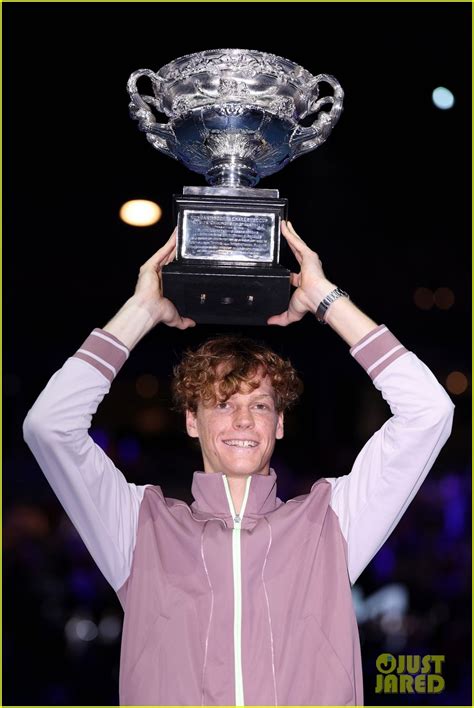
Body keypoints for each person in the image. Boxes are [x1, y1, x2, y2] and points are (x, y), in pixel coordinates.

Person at [23, 220, 454, 706]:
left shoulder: (329, 523)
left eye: (261, 405)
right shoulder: (139, 526)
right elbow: (49, 427)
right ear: (192, 421)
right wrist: (140, 312)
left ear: (280, 424)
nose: (244, 420)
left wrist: (324, 299)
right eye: (223, 403)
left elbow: (429, 412)